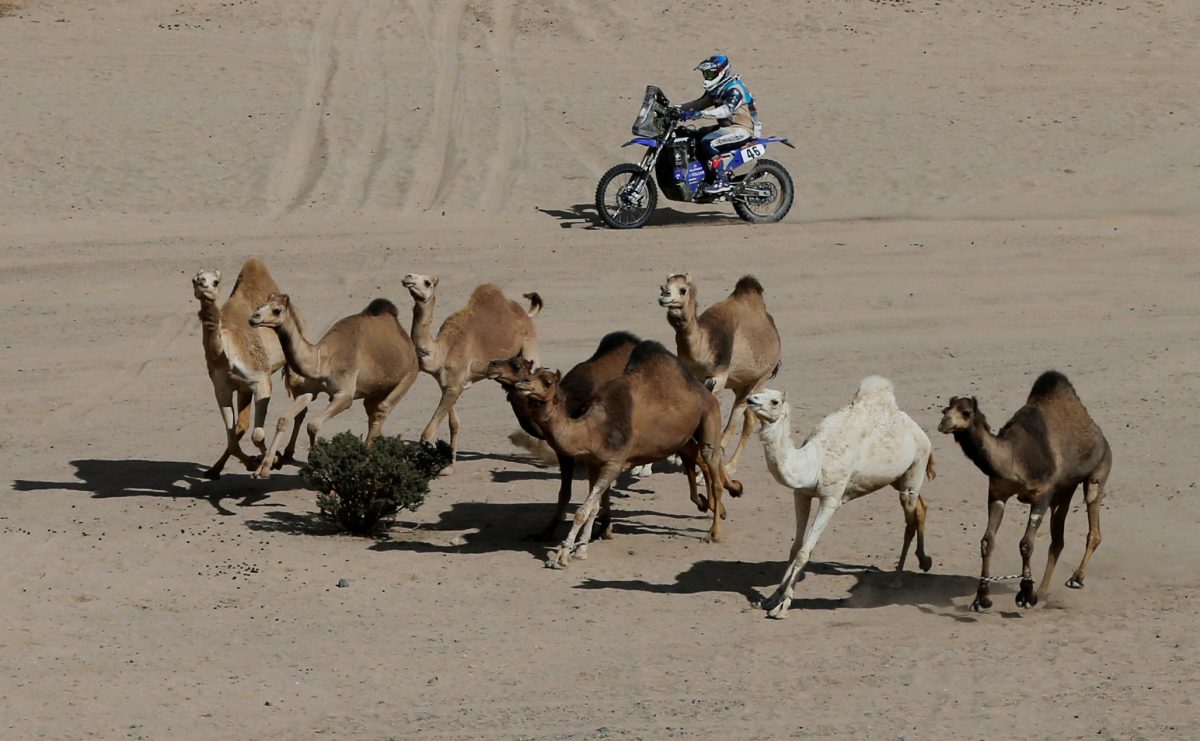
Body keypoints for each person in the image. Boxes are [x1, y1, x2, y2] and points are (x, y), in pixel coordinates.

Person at [679, 54, 760, 195]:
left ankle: (721, 180)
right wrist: (674, 109)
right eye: (706, 74)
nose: (707, 77)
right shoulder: (718, 89)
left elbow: (726, 110)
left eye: (710, 74)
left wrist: (700, 114)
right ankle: (705, 176)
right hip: (728, 128)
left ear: (721, 72)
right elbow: (698, 104)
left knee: (708, 142)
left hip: (742, 129)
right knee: (697, 135)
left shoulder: (734, 88)